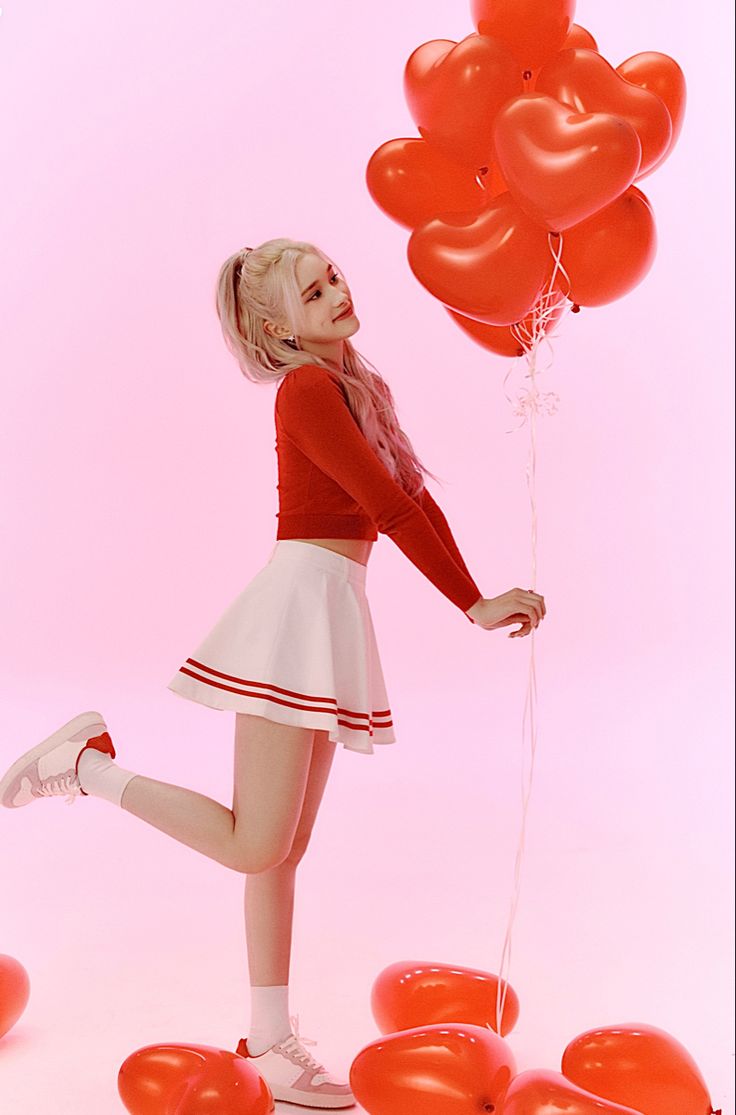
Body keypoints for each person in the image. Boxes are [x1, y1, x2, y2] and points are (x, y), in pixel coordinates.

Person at [0, 237, 546, 1108]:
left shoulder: (355, 380)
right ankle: (82, 767)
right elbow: (386, 502)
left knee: (281, 851)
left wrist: (475, 594)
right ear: (273, 324)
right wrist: (471, 605)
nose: (335, 290)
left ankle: (270, 1040)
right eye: (312, 288)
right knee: (260, 842)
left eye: (333, 275)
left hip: (328, 607)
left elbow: (416, 493)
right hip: (296, 608)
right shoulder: (306, 388)